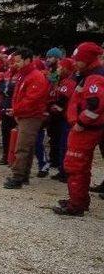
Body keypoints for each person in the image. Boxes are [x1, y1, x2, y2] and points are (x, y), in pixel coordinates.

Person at [53, 42, 104, 216]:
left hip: (86, 130)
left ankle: (76, 205)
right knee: (79, 166)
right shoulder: (89, 74)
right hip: (87, 128)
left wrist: (81, 123)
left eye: (78, 60)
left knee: (75, 166)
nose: (75, 62)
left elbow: (95, 106)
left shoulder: (94, 77)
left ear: (88, 59)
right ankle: (79, 200)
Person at [3, 48, 50, 189]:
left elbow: (32, 99)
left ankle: (17, 177)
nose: (16, 64)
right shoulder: (24, 75)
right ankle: (23, 176)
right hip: (24, 115)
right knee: (27, 148)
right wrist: (16, 111)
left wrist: (16, 110)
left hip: (31, 116)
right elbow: (20, 96)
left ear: (27, 60)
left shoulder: (35, 77)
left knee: (22, 147)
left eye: (18, 61)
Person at [48, 58, 77, 182]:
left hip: (65, 118)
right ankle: (62, 169)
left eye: (61, 67)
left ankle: (64, 172)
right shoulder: (63, 81)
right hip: (62, 118)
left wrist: (56, 107)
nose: (59, 69)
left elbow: (63, 99)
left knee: (64, 146)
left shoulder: (69, 81)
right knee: (60, 144)